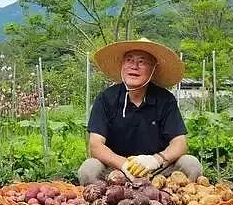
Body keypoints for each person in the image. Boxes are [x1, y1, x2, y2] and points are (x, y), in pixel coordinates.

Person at [78, 37, 202, 185]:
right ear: (122, 66)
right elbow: (95, 145)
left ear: (153, 69)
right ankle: (107, 203)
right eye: (129, 60)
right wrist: (125, 165)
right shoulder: (106, 99)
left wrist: (155, 160)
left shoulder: (165, 99)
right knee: (88, 169)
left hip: (157, 170)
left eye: (142, 62)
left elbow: (180, 143)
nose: (134, 66)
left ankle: (173, 200)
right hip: (116, 169)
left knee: (191, 164)